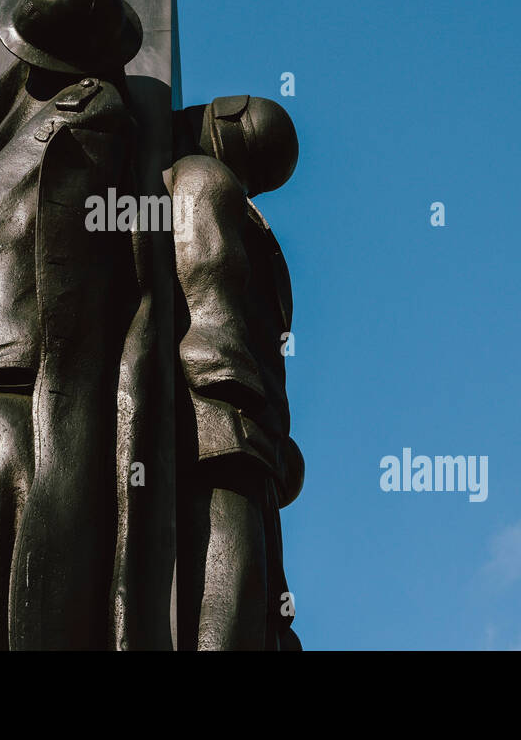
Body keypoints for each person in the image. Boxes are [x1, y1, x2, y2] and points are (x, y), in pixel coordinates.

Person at [0, 0, 175, 649]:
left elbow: (109, 285)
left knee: (11, 598)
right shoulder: (5, 126)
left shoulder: (97, 124)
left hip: (24, 388)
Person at [168, 95, 304, 649]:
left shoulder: (200, 180)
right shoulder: (262, 236)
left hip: (220, 424)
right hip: (248, 437)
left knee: (235, 596)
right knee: (253, 598)